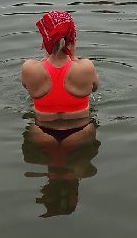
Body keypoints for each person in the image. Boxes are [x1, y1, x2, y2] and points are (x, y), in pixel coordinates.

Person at [21, 9, 98, 146]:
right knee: (80, 165)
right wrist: (73, 57)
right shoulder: (86, 67)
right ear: (72, 38)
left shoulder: (29, 68)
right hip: (81, 131)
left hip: (40, 132)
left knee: (52, 165)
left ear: (44, 39)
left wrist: (48, 52)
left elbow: (26, 86)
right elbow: (95, 88)